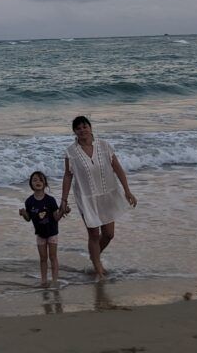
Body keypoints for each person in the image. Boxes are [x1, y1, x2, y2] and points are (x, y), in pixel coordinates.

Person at [60, 116, 137, 279]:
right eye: (78, 128)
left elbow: (118, 168)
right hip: (86, 197)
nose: (82, 130)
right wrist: (64, 200)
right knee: (94, 234)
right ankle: (98, 267)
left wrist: (127, 191)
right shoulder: (71, 152)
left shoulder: (104, 146)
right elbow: (68, 176)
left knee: (109, 234)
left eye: (84, 127)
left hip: (107, 194)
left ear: (90, 127)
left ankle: (94, 256)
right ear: (74, 131)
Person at [19, 170, 63, 284]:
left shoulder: (50, 200)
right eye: (34, 180)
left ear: (45, 183)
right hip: (40, 234)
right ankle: (44, 281)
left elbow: (56, 217)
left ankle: (55, 280)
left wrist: (63, 210)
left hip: (52, 233)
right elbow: (28, 218)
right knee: (43, 259)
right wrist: (24, 213)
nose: (37, 181)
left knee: (52, 257)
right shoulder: (29, 201)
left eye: (40, 179)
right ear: (31, 184)